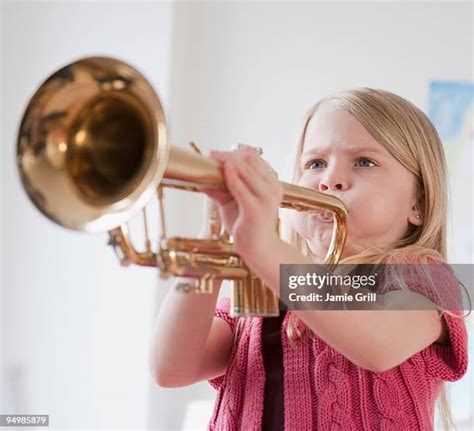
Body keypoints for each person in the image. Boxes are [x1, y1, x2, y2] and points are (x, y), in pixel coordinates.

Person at [148, 88, 469, 430]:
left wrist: (262, 246)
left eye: (364, 161)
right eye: (315, 163)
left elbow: (377, 346)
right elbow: (170, 368)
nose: (329, 180)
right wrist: (211, 239)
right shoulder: (264, 292)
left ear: (417, 204)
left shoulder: (428, 281)